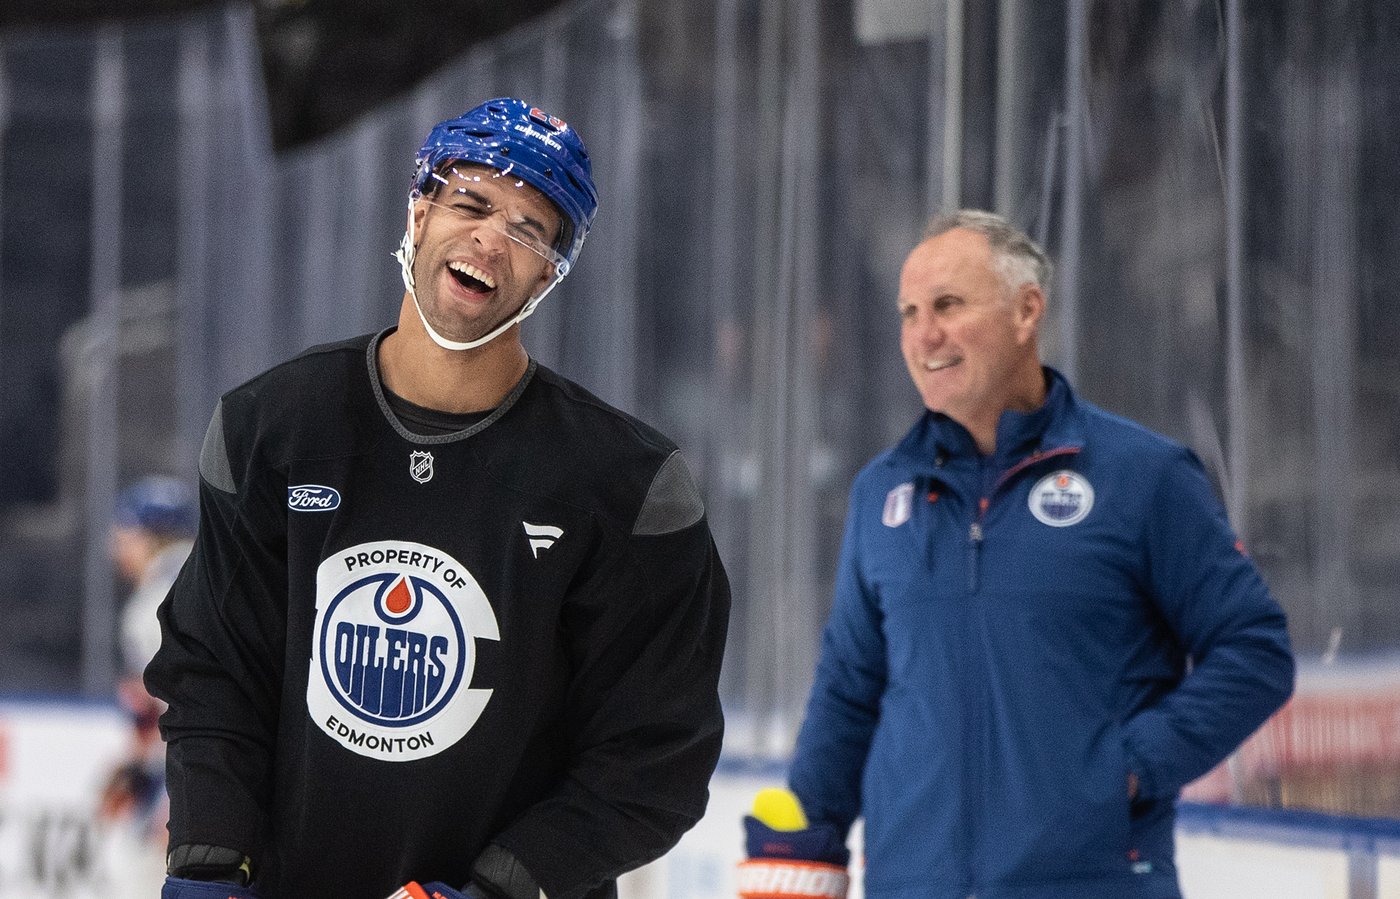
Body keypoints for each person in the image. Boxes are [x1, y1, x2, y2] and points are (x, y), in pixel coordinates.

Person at [146, 98, 731, 899]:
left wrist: (502, 888)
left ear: (551, 271)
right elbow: (215, 672)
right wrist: (208, 860)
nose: (491, 239)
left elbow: (656, 753)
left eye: (529, 229)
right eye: (471, 203)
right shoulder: (271, 427)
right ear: (419, 211)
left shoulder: (628, 487)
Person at [748, 210, 1294, 899]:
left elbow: (1254, 649)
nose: (924, 334)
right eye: (910, 312)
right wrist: (802, 847)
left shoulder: (1143, 477)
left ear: (1026, 310)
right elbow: (849, 689)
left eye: (949, 304)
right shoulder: (882, 492)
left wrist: (1127, 768)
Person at [98, 477, 197, 895]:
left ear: (149, 537)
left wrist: (149, 779)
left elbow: (182, 707)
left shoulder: (153, 601)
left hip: (190, 773)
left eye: (125, 533)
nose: (116, 545)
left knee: (137, 873)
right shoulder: (206, 579)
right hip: (226, 766)